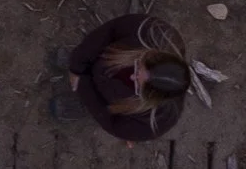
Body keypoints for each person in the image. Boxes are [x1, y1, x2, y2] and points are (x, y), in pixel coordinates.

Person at [57, 13, 190, 142]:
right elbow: (108, 32)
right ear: (152, 55)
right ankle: (78, 60)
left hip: (103, 101)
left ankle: (82, 104)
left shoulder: (156, 122)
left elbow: (113, 124)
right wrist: (77, 64)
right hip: (102, 58)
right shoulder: (153, 31)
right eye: (137, 67)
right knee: (82, 54)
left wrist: (83, 87)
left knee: (95, 105)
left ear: (150, 98)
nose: (131, 76)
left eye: (137, 86)